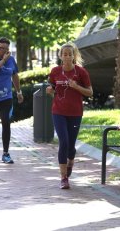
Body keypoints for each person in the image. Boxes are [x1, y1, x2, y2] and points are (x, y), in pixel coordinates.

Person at [46, 42, 92, 189]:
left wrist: (76, 86)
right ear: (60, 56)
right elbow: (52, 86)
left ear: (74, 56)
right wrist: (50, 90)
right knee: (63, 142)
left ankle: (71, 160)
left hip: (75, 112)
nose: (66, 56)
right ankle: (63, 178)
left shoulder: (81, 72)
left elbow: (90, 92)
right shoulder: (55, 71)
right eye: (64, 54)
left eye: (69, 54)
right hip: (58, 111)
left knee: (71, 145)